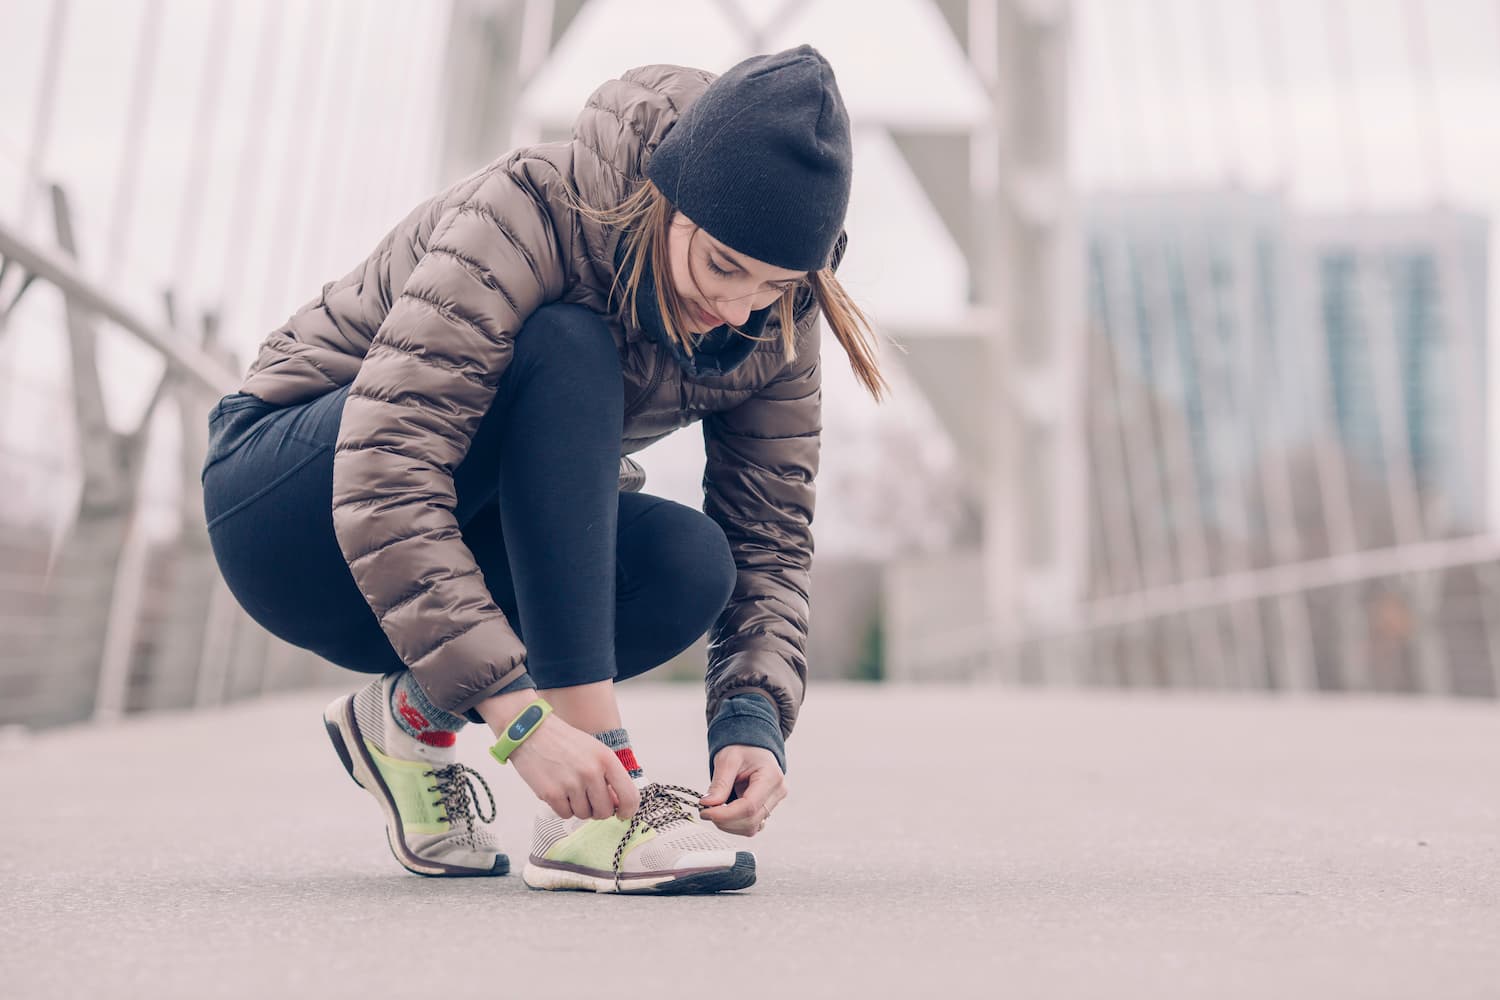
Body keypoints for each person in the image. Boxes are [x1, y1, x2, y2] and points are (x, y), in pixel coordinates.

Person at [200, 44, 887, 894]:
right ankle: (596, 800)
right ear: (667, 198)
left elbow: (770, 537)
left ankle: (408, 715)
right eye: (723, 265)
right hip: (288, 511)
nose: (741, 305)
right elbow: (387, 471)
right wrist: (521, 721)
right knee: (567, 342)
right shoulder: (533, 209)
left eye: (778, 284)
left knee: (688, 565)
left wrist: (753, 720)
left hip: (432, 553)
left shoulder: (774, 319)